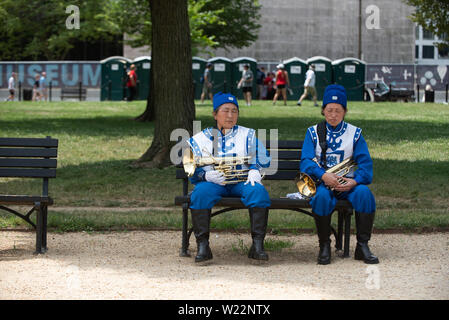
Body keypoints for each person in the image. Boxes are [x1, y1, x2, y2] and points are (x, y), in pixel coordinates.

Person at [187, 92, 271, 263]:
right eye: (225, 111)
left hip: (242, 181)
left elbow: (263, 157)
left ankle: (257, 246)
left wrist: (255, 169)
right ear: (215, 114)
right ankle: (203, 246)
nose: (230, 115)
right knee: (200, 194)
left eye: (234, 111)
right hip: (214, 183)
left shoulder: (248, 134)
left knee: (258, 192)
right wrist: (205, 175)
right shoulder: (200, 138)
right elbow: (191, 167)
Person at [299, 84, 378, 265]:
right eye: (329, 110)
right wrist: (323, 175)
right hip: (322, 183)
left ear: (345, 111)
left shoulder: (355, 134)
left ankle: (362, 246)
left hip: (347, 185)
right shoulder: (313, 133)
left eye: (338, 110)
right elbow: (305, 162)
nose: (333, 115)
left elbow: (366, 167)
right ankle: (324, 245)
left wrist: (354, 181)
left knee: (364, 194)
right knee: (321, 198)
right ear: (323, 110)